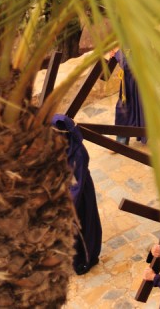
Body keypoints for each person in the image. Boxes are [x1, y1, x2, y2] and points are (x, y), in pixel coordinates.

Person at [52, 113, 102, 275]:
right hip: (65, 194)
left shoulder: (77, 153)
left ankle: (86, 260)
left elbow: (77, 184)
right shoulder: (59, 149)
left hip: (80, 197)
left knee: (83, 228)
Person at [114, 49, 146, 145]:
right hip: (129, 82)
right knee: (124, 107)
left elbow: (129, 64)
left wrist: (118, 54)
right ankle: (122, 138)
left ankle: (123, 138)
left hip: (138, 81)